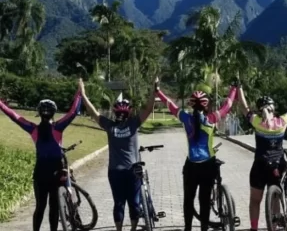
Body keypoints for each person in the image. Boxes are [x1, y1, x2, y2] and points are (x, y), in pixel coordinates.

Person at [155, 78, 238, 231]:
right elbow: (228, 105)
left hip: (191, 166)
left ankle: (188, 228)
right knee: (204, 201)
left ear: (191, 104)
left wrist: (158, 91)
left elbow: (170, 105)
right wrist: (234, 89)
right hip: (208, 165)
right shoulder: (212, 119)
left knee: (188, 200)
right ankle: (204, 228)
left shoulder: (186, 119)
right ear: (206, 106)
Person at [78, 78, 156, 231]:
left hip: (115, 172)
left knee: (118, 203)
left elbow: (93, 112)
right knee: (134, 202)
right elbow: (148, 108)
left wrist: (83, 93)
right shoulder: (134, 123)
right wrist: (154, 89)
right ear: (129, 113)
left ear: (115, 113)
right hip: (133, 171)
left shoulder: (109, 126)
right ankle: (133, 229)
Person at [0, 88, 82, 231]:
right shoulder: (58, 127)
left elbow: (15, 116)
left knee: (40, 207)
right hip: (56, 172)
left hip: (40, 173)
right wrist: (79, 93)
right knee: (54, 208)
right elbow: (73, 112)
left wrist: (1, 103)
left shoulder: (33, 129)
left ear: (39, 113)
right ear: (53, 113)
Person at [236, 84, 287, 231]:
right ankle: (274, 226)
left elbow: (244, 107)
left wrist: (239, 88)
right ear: (273, 109)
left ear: (259, 109)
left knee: (255, 200)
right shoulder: (282, 121)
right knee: (275, 196)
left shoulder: (257, 121)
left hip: (260, 165)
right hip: (277, 165)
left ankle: (254, 228)